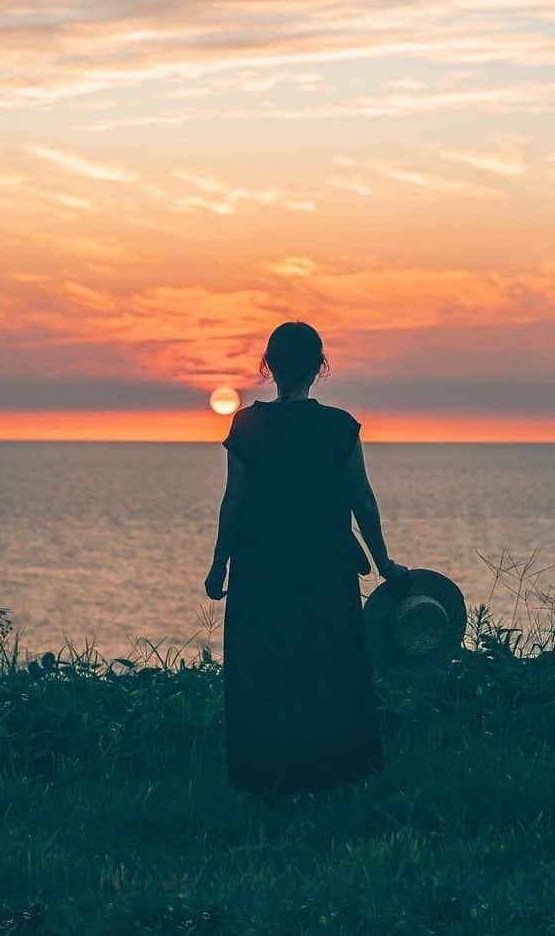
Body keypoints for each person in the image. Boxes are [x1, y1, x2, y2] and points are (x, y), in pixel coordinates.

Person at [204, 320, 408, 796]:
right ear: (320, 367)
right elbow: (362, 498)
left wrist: (219, 565)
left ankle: (264, 778)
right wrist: (384, 562)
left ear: (268, 366)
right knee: (326, 668)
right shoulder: (338, 427)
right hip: (326, 569)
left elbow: (233, 501)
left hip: (260, 569)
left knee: (265, 670)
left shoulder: (248, 424)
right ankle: (333, 774)